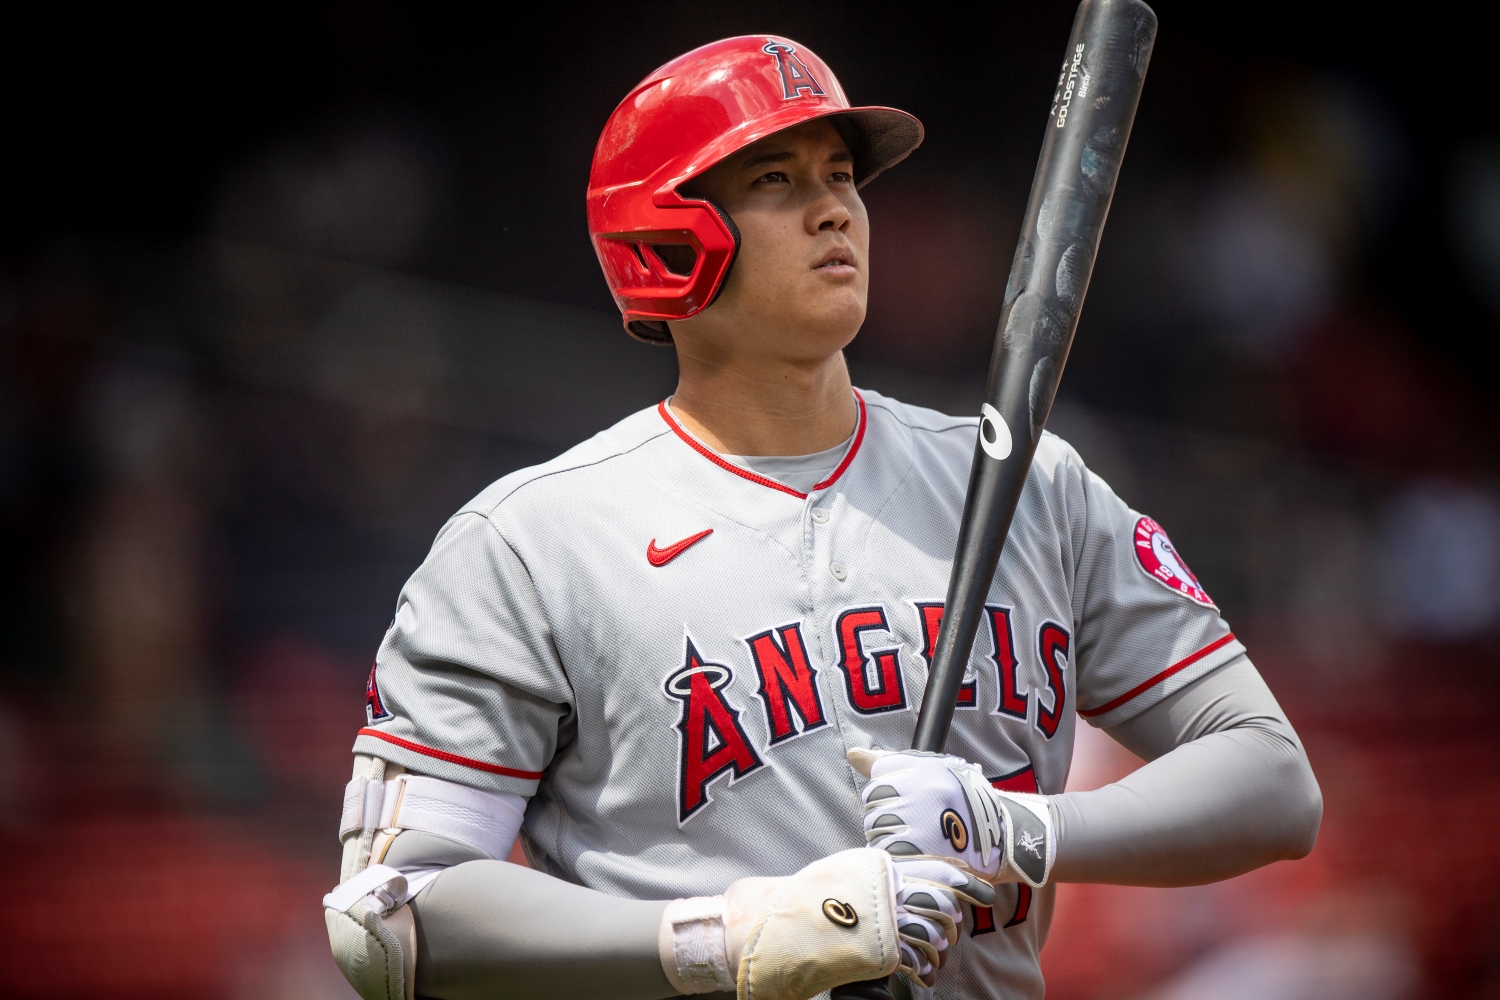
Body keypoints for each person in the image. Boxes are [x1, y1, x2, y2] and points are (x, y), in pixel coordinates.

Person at [322, 35, 1322, 1000]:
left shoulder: (1025, 485)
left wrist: (1021, 832)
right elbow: (391, 916)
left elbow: (1273, 781)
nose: (834, 209)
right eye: (775, 182)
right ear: (667, 237)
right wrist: (739, 937)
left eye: (840, 175)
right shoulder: (529, 544)